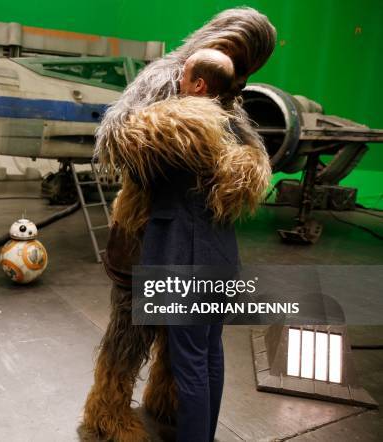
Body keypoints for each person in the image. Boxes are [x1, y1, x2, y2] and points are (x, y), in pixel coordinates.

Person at [82, 7, 275, 442]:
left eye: (243, 63)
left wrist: (237, 168)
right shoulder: (168, 77)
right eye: (231, 51)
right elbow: (116, 137)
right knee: (131, 332)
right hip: (145, 230)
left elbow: (252, 161)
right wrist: (187, 125)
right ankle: (107, 409)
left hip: (195, 244)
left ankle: (168, 398)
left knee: (185, 346)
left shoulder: (226, 97)